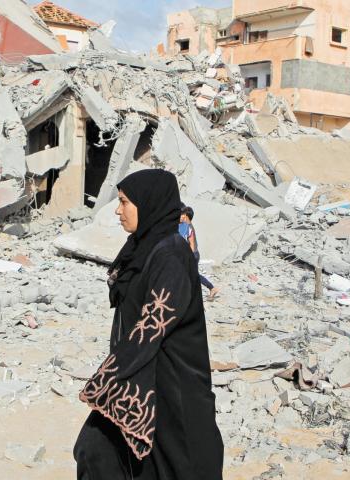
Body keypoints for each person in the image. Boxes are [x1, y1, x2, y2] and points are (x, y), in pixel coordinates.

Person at [74, 169, 223, 479]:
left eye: (125, 202)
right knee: (96, 452)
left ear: (149, 203)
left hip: (172, 390)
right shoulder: (142, 249)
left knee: (174, 467)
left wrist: (106, 380)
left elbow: (152, 325)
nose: (118, 210)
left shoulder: (171, 256)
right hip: (143, 376)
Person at [179, 205, 220, 299]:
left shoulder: (187, 227)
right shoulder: (187, 226)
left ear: (186, 216)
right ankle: (211, 288)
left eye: (182, 215)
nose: (180, 217)